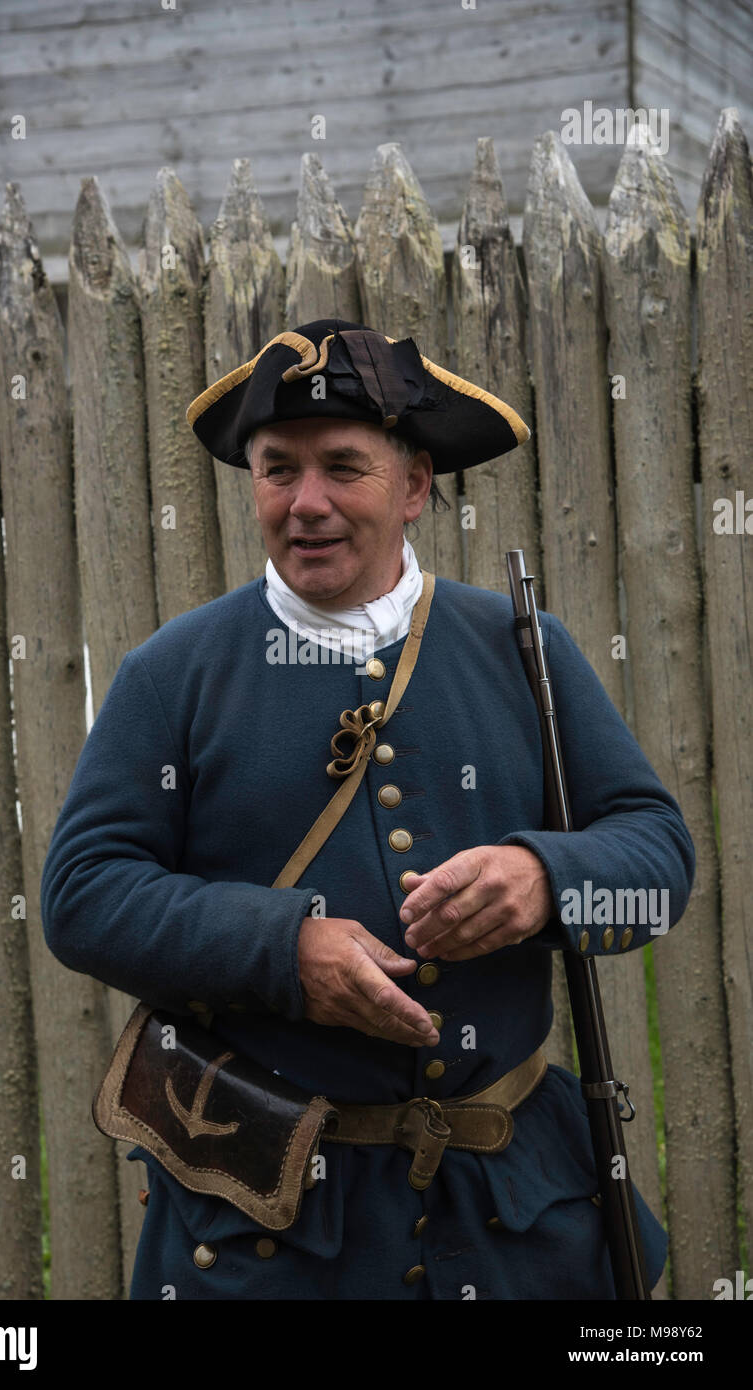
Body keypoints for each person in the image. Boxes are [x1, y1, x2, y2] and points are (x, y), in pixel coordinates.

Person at [40, 317, 695, 1300]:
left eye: (344, 467)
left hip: (512, 1218)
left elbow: (660, 865)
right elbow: (82, 898)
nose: (306, 503)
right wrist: (283, 949)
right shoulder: (174, 673)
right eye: (276, 470)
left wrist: (545, 881)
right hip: (275, 1241)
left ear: (416, 487)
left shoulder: (524, 647)